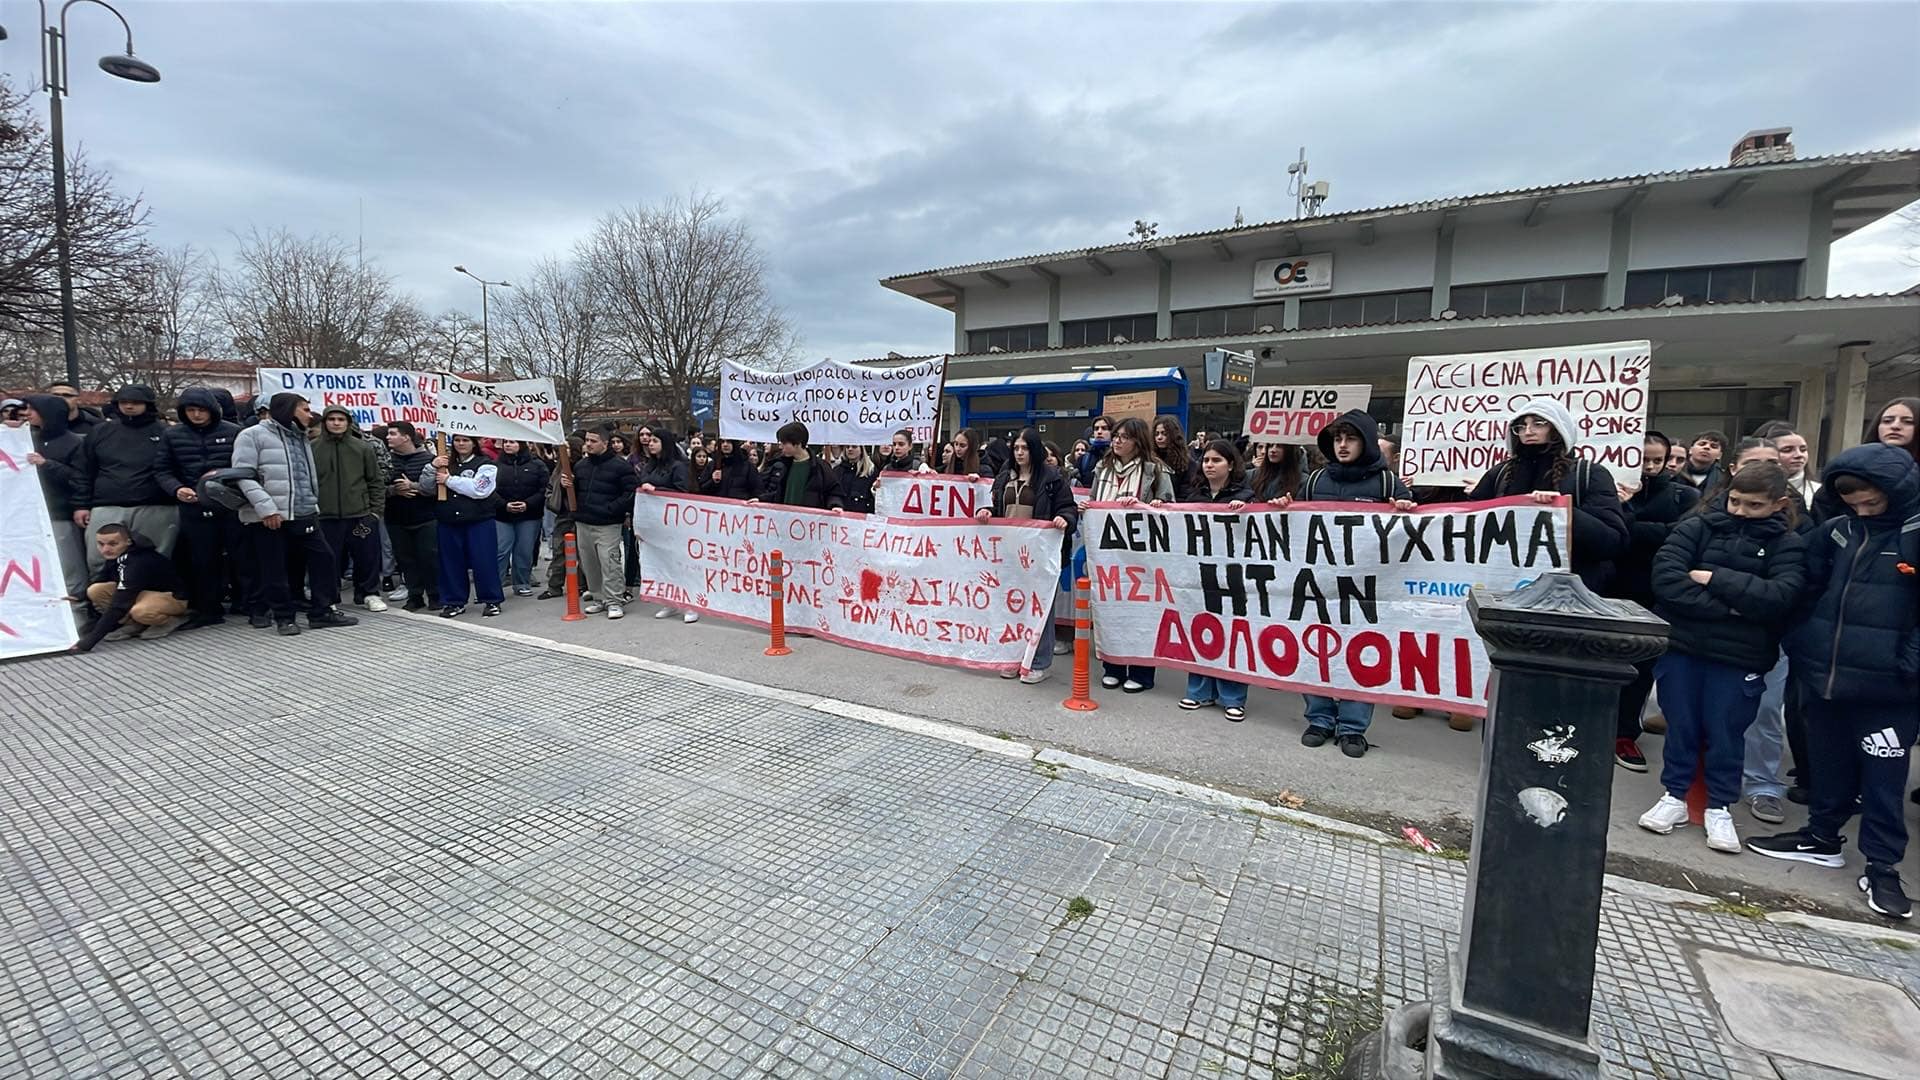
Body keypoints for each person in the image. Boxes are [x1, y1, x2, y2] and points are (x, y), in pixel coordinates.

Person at [1749, 443, 1920, 921]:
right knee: (1826, 765)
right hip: (1824, 676)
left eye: (1872, 501)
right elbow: (1804, 586)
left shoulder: (1915, 533)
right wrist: (1803, 642)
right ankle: (1821, 837)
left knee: (1884, 781)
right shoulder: (1837, 532)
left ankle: (1883, 866)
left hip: (1890, 689)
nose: (1862, 510)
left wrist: (1909, 665)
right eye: (1854, 502)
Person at [1636, 463, 1805, 855]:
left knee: (1726, 734)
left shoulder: (1790, 544)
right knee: (1682, 726)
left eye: (1754, 505)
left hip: (1739, 658)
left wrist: (1713, 579)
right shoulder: (1697, 526)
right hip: (1683, 648)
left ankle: (1719, 806)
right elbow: (1667, 580)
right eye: (1735, 501)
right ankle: (1673, 796)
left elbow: (1779, 597)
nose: (1741, 510)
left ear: (1779, 503)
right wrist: (1736, 608)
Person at [1296, 411, 1417, 756]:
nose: (1342, 445)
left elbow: (1413, 534)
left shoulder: (1387, 484)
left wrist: (1408, 509)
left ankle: (1352, 727)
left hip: (1368, 589)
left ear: (1364, 441)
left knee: (1362, 653)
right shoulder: (1315, 480)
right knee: (1314, 648)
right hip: (1319, 584)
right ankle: (1319, 718)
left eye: (1350, 439)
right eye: (1337, 439)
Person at [1464, 398, 1628, 594]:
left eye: (1538, 423)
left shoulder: (1589, 474)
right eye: (1521, 426)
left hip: (1569, 596)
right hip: (1504, 589)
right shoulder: (1499, 474)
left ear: (1558, 428)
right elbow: (1467, 527)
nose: (1528, 431)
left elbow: (1612, 542)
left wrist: (1564, 511)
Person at [1609, 431, 1700, 771]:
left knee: (1640, 667)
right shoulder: (1607, 492)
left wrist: (1627, 518)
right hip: (1610, 588)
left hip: (1652, 593)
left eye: (1656, 460)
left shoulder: (1684, 496)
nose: (1649, 467)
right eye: (1641, 459)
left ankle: (1625, 732)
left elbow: (1675, 536)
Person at [230, 393, 357, 635]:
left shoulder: (300, 437)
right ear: (288, 410)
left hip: (304, 512)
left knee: (324, 559)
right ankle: (284, 617)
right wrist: (266, 509)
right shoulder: (252, 436)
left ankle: (322, 612)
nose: (310, 415)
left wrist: (312, 503)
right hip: (270, 517)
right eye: (305, 410)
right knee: (275, 569)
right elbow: (243, 476)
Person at [975, 427, 1075, 685]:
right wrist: (987, 511)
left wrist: (1064, 518)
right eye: (1016, 448)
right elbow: (997, 505)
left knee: (1040, 608)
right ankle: (1013, 657)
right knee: (1012, 607)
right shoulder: (1003, 477)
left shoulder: (1052, 478)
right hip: (1008, 554)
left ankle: (1039, 661)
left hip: (1038, 555)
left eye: (1024, 448)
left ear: (1034, 450)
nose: (1019, 453)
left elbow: (1067, 506)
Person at [1089, 417, 1173, 694]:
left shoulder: (1155, 470)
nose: (1117, 441)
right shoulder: (1103, 468)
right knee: (1110, 610)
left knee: (1141, 614)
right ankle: (1112, 666)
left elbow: (1169, 509)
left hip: (1141, 555)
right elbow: (1095, 500)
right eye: (1115, 436)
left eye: (1124, 437)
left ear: (1138, 441)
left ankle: (1141, 671)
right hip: (1108, 554)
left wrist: (1151, 505)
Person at [1180, 440, 1256, 720]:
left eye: (1217, 460)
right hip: (1199, 575)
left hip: (1232, 577)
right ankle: (1198, 690)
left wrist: (1247, 510)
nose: (1209, 465)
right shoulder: (1193, 497)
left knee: (1232, 634)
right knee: (1200, 629)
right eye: (1206, 460)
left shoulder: (1246, 496)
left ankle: (1233, 696)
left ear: (1231, 465)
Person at [157, 388, 241, 627]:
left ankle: (250, 604)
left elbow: (244, 466)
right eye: (190, 410)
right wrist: (176, 488)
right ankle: (208, 609)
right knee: (203, 560)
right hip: (193, 504)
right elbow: (162, 469)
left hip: (230, 504)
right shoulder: (172, 435)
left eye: (201, 410)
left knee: (242, 556)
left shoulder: (233, 432)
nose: (196, 414)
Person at [72, 384, 176, 572]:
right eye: (124, 402)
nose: (129, 406)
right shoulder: (100, 431)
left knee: (156, 559)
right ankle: (102, 598)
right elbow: (84, 470)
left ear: (148, 404)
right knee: (99, 560)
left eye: (136, 402)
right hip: (107, 503)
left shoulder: (166, 432)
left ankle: (151, 598)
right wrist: (81, 504)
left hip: (155, 505)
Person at [312, 406, 389, 612]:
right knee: (328, 558)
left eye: (341, 419)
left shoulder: (362, 448)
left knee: (366, 556)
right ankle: (330, 597)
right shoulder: (312, 448)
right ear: (325, 422)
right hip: (326, 517)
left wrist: (375, 512)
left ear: (348, 422)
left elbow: (375, 481)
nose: (336, 423)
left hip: (360, 516)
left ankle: (369, 593)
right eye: (332, 419)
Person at [23, 394, 90, 625]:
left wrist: (47, 465)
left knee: (69, 566)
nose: (27, 413)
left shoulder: (74, 442)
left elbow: (80, 478)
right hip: (33, 516)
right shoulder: (28, 439)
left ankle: (78, 615)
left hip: (61, 514)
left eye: (33, 409)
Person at [71, 523, 187, 650]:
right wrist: (78, 596)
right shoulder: (118, 556)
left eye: (112, 544)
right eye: (101, 544)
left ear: (128, 542)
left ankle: (171, 620)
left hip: (172, 597)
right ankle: (135, 624)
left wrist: (89, 642)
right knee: (95, 590)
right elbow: (102, 578)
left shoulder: (136, 563)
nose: (105, 549)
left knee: (140, 611)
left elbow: (120, 605)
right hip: (140, 594)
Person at [425, 434, 504, 618]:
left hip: (479, 521)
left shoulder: (486, 464)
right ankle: (454, 601)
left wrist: (449, 481)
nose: (461, 444)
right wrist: (432, 467)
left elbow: (480, 489)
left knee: (484, 561)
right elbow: (426, 487)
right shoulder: (444, 463)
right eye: (458, 440)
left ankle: (491, 600)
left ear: (474, 443)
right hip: (448, 521)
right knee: (451, 563)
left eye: (466, 440)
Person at [564, 426, 638, 618]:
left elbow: (630, 493)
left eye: (593, 441)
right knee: (590, 563)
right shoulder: (581, 466)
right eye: (587, 440)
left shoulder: (621, 466)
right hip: (584, 522)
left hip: (607, 524)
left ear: (605, 443)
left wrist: (611, 510)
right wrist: (568, 487)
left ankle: (614, 600)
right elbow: (576, 492)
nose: (588, 444)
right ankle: (598, 597)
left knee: (609, 562)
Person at [635, 426, 698, 622]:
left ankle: (690, 604)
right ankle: (669, 602)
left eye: (655, 441)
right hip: (656, 524)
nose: (650, 444)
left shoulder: (678, 466)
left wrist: (657, 489)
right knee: (663, 564)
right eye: (649, 441)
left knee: (680, 564)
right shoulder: (649, 466)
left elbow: (682, 493)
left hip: (675, 524)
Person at [382, 423, 438, 611]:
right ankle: (415, 596)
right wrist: (394, 490)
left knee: (429, 558)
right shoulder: (386, 461)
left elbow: (437, 489)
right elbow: (375, 487)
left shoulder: (429, 459)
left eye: (392, 434)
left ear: (406, 437)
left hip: (426, 518)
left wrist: (413, 487)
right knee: (406, 560)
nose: (388, 437)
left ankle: (435, 595)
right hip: (396, 519)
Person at [492, 439, 549, 598]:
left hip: (529, 515)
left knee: (524, 551)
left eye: (512, 442)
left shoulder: (537, 465)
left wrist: (528, 504)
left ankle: (522, 583)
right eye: (505, 442)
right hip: (502, 515)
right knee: (501, 550)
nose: (508, 445)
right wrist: (504, 505)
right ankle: (495, 585)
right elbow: (489, 490)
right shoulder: (495, 465)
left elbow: (544, 489)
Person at [756, 422, 844, 510]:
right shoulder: (785, 465)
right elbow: (780, 493)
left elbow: (833, 491)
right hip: (785, 519)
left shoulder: (820, 467)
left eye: (784, 443)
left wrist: (835, 505)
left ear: (797, 443)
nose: (780, 446)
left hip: (809, 521)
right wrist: (761, 499)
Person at [539, 434, 583, 600]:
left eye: (568, 449)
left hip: (580, 515)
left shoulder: (582, 467)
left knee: (582, 554)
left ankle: (581, 585)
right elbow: (550, 490)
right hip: (563, 515)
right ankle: (554, 586)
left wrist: (574, 484)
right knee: (559, 551)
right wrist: (558, 493)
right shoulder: (559, 469)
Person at [1152, 417, 1203, 500]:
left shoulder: (1187, 462)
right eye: (1156, 434)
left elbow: (1187, 493)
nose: (1159, 437)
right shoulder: (1150, 459)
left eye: (1164, 434)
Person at [835, 445, 877, 514]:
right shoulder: (837, 470)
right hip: (841, 515)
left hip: (862, 516)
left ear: (861, 450)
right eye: (847, 447)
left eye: (854, 447)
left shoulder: (871, 471)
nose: (850, 449)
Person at [1074, 417, 1113, 488]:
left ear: (1112, 432)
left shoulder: (1118, 457)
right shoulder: (1083, 459)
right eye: (1096, 429)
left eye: (1104, 428)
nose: (1099, 432)